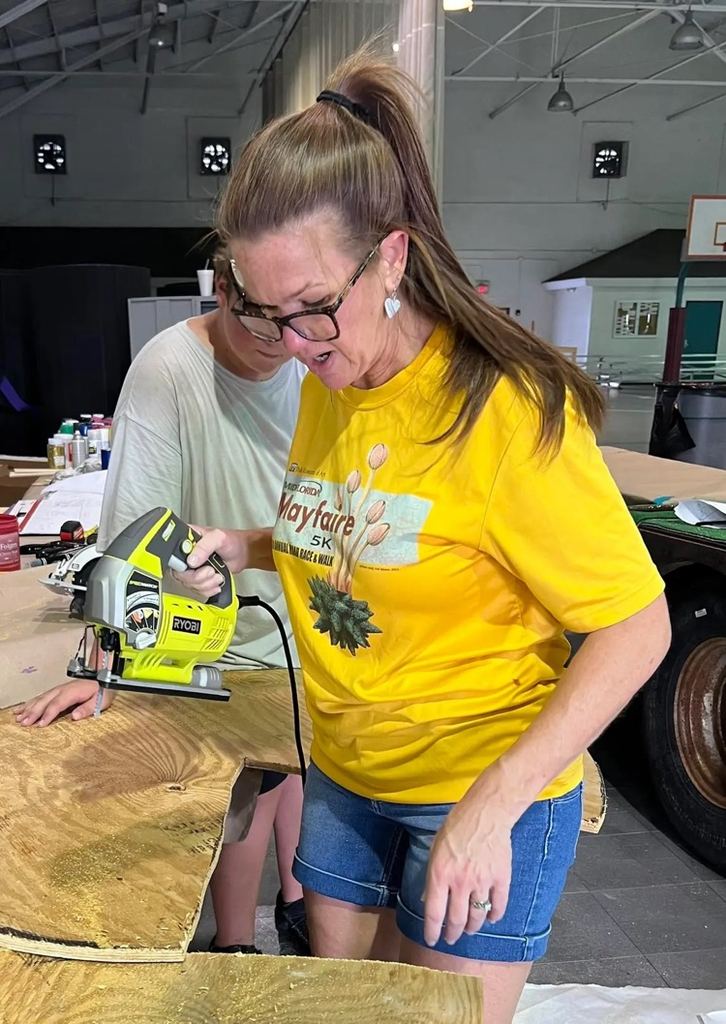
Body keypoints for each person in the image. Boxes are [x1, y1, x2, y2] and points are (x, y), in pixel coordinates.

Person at [172, 49, 671, 1024]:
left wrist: (496, 803)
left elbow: (638, 627)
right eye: (268, 317)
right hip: (348, 778)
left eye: (314, 311)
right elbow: (359, 530)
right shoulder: (329, 379)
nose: (299, 350)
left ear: (392, 258)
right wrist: (245, 541)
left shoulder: (502, 414)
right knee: (346, 1011)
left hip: (485, 781)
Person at [14, 253, 310, 958]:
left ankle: (297, 911)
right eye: (259, 323)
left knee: (302, 769)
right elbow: (135, 529)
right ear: (225, 286)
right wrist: (102, 662)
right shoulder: (169, 369)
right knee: (245, 790)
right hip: (221, 637)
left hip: (305, 625)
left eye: (296, 326)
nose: (281, 345)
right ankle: (235, 944)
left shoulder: (313, 356)